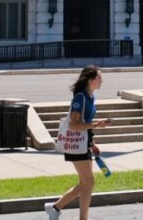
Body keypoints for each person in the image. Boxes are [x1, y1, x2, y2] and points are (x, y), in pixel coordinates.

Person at [44, 65, 110, 220]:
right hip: (76, 143)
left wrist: (93, 143)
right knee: (89, 182)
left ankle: (55, 208)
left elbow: (85, 122)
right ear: (90, 80)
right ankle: (72, 214)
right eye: (99, 78)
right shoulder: (80, 97)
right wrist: (96, 125)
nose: (102, 81)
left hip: (84, 141)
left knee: (86, 183)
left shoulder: (91, 96)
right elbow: (74, 124)